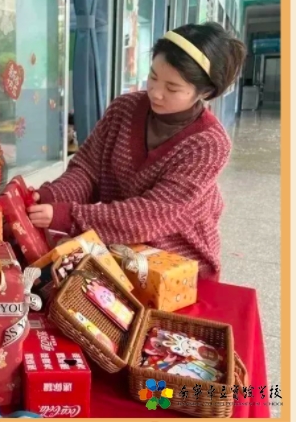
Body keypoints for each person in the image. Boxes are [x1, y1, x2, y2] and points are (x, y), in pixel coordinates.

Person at [27, 23, 247, 280]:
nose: (156, 92)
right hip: (119, 250)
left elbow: (153, 214)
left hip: (176, 264)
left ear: (205, 92)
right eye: (153, 76)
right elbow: (87, 170)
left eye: (172, 88)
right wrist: (52, 195)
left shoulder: (209, 144)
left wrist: (69, 217)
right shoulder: (125, 109)